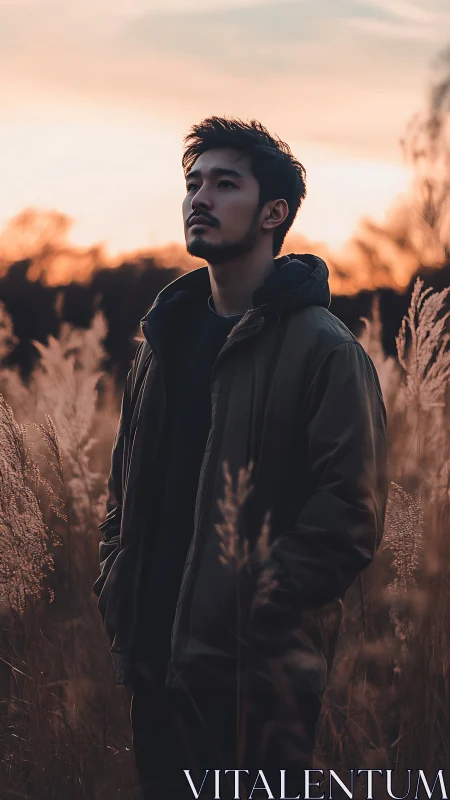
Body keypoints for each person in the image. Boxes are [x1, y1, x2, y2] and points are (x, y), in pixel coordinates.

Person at [93, 116, 389, 799]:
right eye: (194, 184)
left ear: (272, 212)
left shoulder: (326, 350)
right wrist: (119, 587)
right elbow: (122, 493)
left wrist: (248, 614)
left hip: (255, 684)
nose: (200, 198)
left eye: (226, 185)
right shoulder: (160, 344)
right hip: (151, 668)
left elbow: (349, 513)